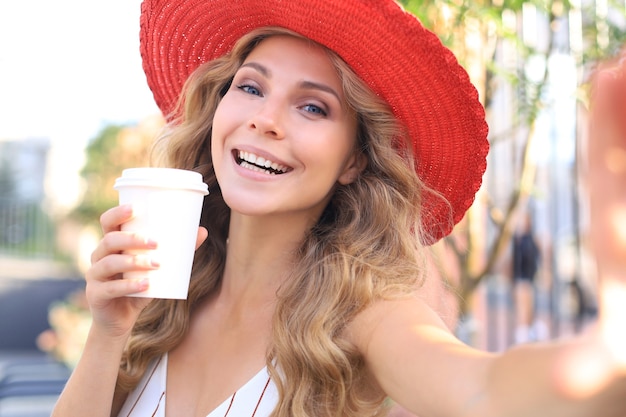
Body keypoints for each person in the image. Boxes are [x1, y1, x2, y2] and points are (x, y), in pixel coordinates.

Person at [52, 1, 626, 416]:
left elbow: (482, 392)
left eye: (313, 107)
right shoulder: (160, 295)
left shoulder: (364, 316)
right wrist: (107, 332)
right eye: (250, 87)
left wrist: (608, 354)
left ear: (354, 161)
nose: (265, 118)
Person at [511, 213, 543, 343]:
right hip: (520, 278)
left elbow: (534, 258)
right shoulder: (517, 240)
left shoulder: (529, 240)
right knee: (521, 306)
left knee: (527, 306)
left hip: (527, 279)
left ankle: (527, 330)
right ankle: (523, 330)